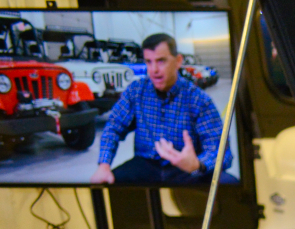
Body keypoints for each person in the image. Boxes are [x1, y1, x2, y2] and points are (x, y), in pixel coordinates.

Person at [90, 33, 235, 185]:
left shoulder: (198, 99)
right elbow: (113, 127)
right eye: (149, 62)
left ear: (178, 61)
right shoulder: (136, 91)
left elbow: (221, 151)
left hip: (185, 169)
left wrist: (198, 165)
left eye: (161, 61)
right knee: (104, 182)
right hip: (145, 165)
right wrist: (104, 165)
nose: (154, 70)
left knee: (229, 182)